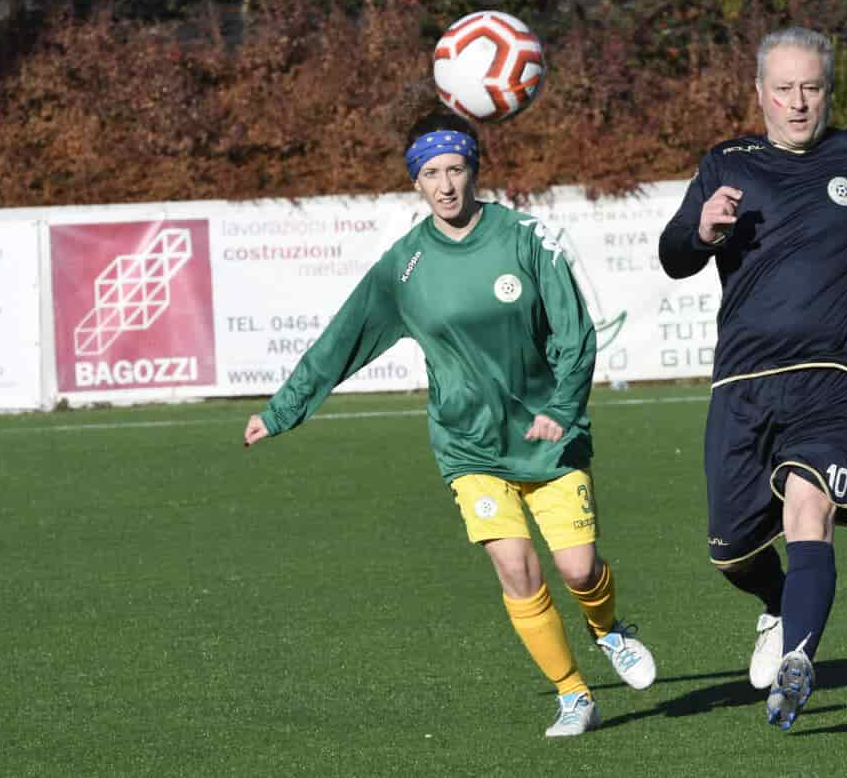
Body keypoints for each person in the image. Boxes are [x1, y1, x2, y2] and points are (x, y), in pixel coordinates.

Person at [244, 110, 656, 737]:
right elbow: (343, 338)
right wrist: (283, 409)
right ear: (416, 181)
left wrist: (563, 408)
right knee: (516, 567)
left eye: (456, 169)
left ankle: (608, 629)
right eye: (431, 173)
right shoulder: (404, 266)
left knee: (578, 570)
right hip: (469, 448)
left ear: (475, 170)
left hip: (547, 438)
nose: (445, 185)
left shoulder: (525, 238)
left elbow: (576, 333)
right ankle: (573, 695)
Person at [657, 27, 847, 731]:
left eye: (811, 88)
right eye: (783, 89)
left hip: (831, 375)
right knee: (730, 553)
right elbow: (674, 257)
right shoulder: (728, 162)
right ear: (760, 93)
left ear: (827, 91)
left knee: (808, 513)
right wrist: (701, 230)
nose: (797, 103)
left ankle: (799, 659)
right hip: (743, 382)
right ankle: (774, 604)